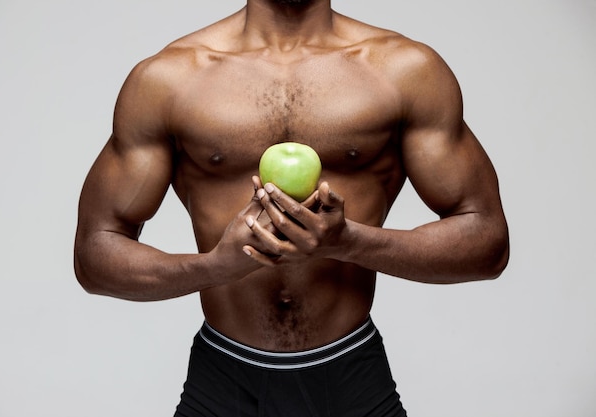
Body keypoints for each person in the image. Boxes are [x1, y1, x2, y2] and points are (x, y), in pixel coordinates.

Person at [74, 0, 509, 415]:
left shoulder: (404, 71)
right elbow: (96, 253)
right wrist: (215, 267)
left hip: (351, 377)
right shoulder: (169, 79)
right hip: (223, 378)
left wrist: (350, 241)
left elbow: (487, 241)